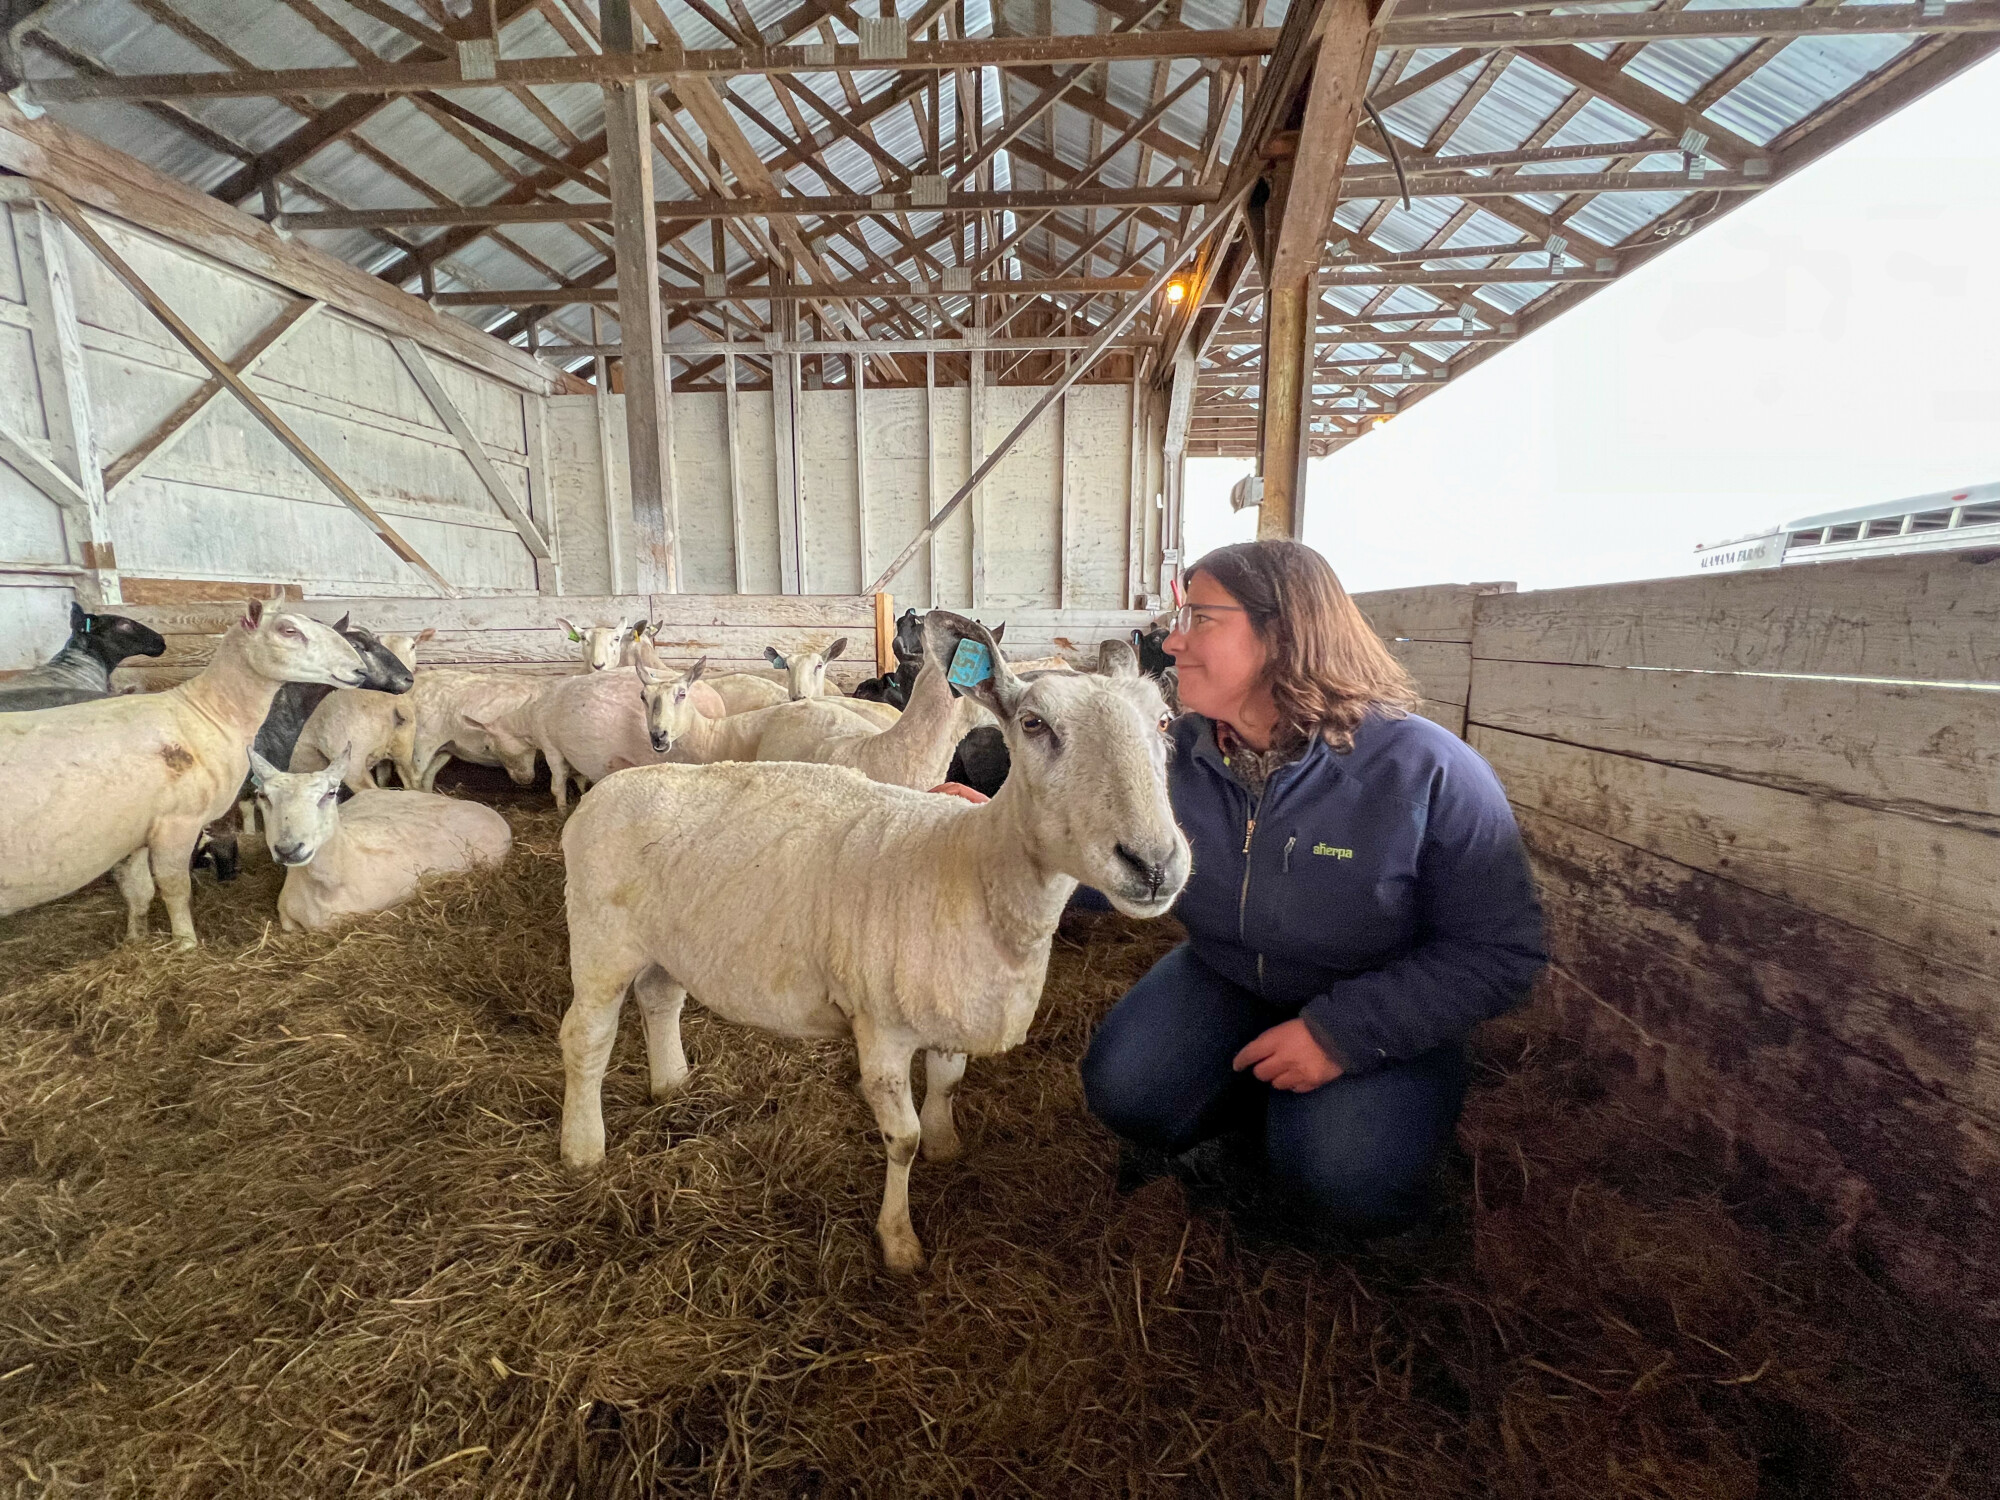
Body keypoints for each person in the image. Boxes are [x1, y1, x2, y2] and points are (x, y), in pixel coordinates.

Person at [1081, 539, 1546, 1238]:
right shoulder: (1176, 755)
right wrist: (982, 836)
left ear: (1283, 633)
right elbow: (1104, 856)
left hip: (1378, 1000)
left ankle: (1352, 1111)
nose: (1173, 641)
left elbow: (1501, 951)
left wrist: (1342, 1034)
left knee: (1344, 1177)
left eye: (1202, 619)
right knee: (1126, 1090)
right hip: (1229, 974)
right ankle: (1253, 1101)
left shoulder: (1424, 770)